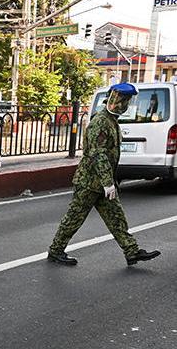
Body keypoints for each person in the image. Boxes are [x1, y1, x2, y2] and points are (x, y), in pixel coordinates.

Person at [48, 82, 160, 266]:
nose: (125, 105)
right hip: (89, 183)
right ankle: (55, 251)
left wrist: (109, 183)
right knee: (74, 218)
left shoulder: (111, 121)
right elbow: (98, 155)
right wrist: (108, 183)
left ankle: (131, 251)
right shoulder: (100, 122)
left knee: (116, 216)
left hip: (103, 182)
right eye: (124, 100)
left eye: (127, 101)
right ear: (114, 100)